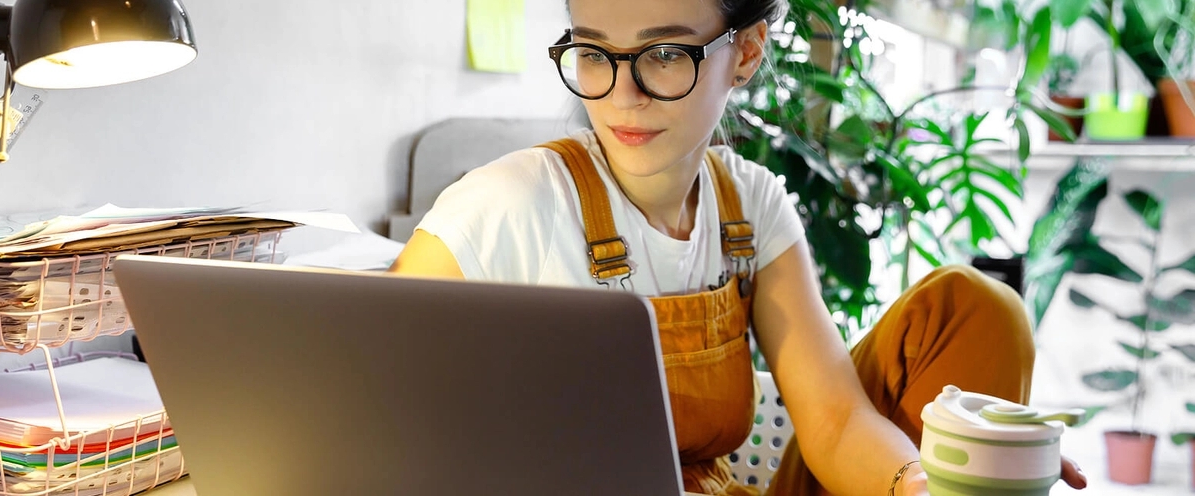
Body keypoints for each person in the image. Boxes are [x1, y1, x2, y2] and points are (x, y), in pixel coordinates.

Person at [390, 0, 1090, 494]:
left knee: (974, 310)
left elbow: (837, 420)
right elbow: (373, 392)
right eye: (595, 51)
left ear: (747, 51)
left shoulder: (750, 206)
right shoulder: (509, 201)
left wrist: (917, 483)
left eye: (664, 54)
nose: (622, 95)